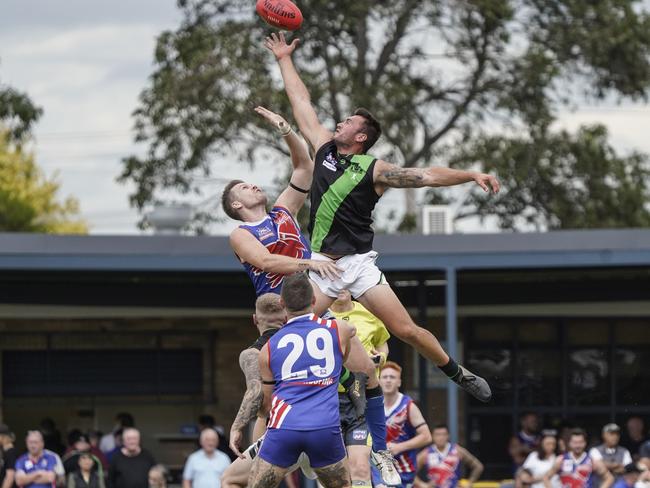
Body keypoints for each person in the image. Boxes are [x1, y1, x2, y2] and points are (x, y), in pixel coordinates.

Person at [261, 31, 497, 403]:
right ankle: (272, 396)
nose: (340, 122)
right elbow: (301, 101)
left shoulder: (374, 170)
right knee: (290, 328)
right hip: (324, 266)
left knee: (406, 329)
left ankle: (457, 372)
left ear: (361, 138)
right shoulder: (323, 147)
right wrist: (283, 58)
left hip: (358, 264)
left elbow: (428, 177)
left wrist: (471, 175)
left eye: (350, 122)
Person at [224, 106, 399, 483]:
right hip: (279, 314)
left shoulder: (284, 212)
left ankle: (377, 443)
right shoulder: (241, 234)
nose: (252, 186)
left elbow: (304, 167)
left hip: (309, 304)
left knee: (365, 367)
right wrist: (310, 264)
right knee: (258, 372)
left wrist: (286, 128)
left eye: (252, 183)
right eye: (243, 187)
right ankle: (264, 443)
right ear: (237, 206)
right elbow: (266, 261)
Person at [249, 273, 355, 488]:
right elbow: (340, 363)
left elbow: (266, 406)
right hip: (324, 428)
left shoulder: (267, 349)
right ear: (314, 301)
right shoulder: (339, 331)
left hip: (284, 429)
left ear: (282, 303)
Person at [330, 289, 391, 488]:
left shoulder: (368, 313)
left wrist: (380, 359)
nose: (340, 288)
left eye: (345, 283)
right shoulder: (319, 314)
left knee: (361, 468)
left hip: (361, 399)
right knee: (334, 471)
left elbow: (383, 346)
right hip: (328, 400)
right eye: (334, 284)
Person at [371, 361, 432, 488]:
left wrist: (400, 447)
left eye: (392, 377)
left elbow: (426, 436)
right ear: (379, 380)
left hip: (404, 468)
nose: (388, 380)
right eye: (385, 377)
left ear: (399, 382)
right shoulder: (372, 405)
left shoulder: (408, 405)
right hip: (379, 467)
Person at [415, 425, 483, 488]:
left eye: (444, 434)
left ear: (448, 436)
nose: (441, 437)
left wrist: (470, 483)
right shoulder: (426, 453)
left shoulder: (457, 450)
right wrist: (422, 485)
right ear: (433, 436)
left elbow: (478, 466)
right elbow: (409, 470)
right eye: (438, 435)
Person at [543, 429, 613, 488]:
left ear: (585, 443)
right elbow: (546, 477)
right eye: (575, 442)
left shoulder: (592, 460)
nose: (578, 445)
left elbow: (609, 478)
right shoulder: (561, 459)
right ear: (569, 443)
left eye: (580, 442)